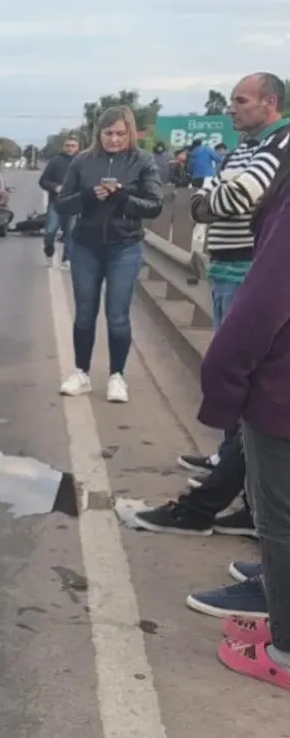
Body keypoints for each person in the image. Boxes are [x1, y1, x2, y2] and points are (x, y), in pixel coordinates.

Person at [143, 73, 290, 538]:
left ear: (270, 103)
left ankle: (236, 506)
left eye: (240, 101)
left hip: (251, 273)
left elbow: (236, 196)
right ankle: (246, 498)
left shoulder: (278, 144)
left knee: (246, 394)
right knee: (245, 402)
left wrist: (208, 203)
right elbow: (214, 195)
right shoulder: (247, 146)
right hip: (226, 270)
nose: (231, 109)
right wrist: (209, 200)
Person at [194, 133, 290, 690]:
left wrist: (224, 384)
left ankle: (286, 649)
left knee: (280, 522)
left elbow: (262, 304)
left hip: (282, 392)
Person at [53, 106, 163, 402]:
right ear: (98, 134)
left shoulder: (142, 162)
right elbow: (62, 204)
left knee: (117, 316)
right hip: (86, 246)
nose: (114, 139)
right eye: (108, 133)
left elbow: (154, 204)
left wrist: (123, 198)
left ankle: (117, 376)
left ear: (130, 133)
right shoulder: (82, 162)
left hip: (124, 246)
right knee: (85, 314)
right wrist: (88, 197)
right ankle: (81, 373)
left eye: (120, 133)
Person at [38, 137, 80, 268]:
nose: (70, 148)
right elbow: (43, 181)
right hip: (56, 203)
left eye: (73, 145)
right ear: (63, 147)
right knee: (50, 231)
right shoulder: (55, 161)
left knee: (71, 232)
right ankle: (49, 250)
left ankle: (66, 259)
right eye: (67, 145)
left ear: (78, 147)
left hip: (73, 204)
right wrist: (55, 187)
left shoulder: (82, 162)